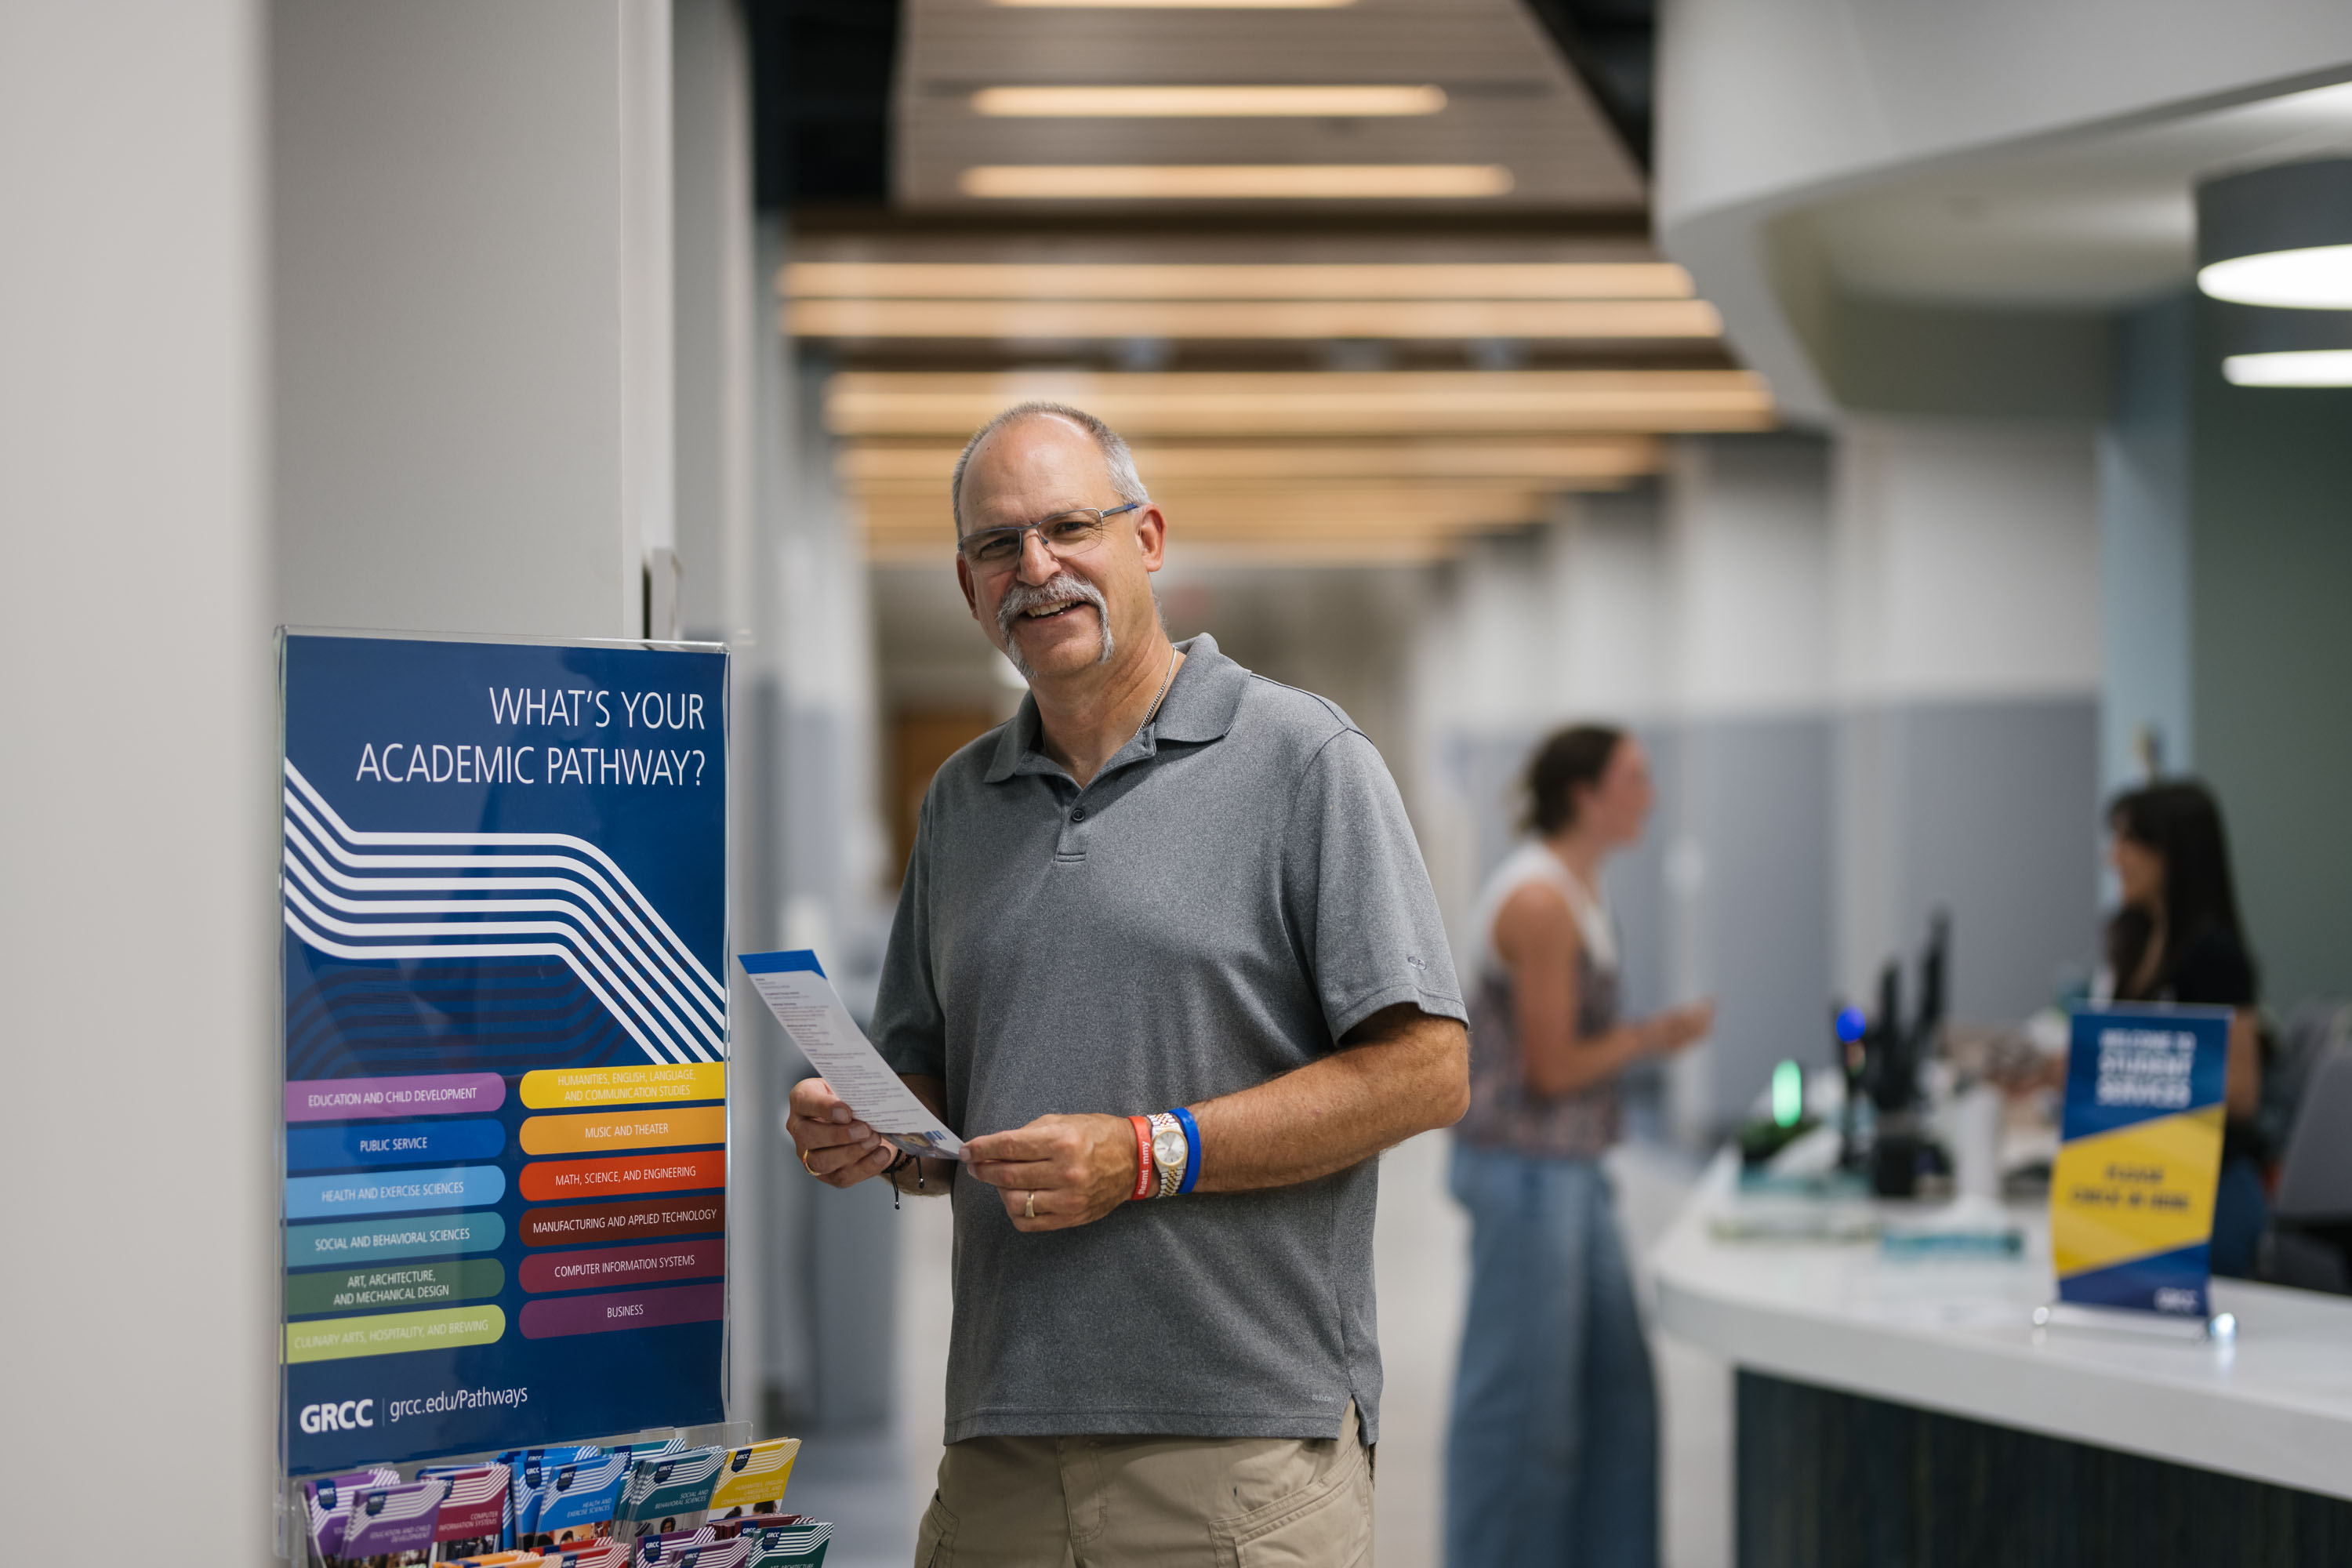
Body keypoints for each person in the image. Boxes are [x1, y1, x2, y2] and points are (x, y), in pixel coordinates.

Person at [785, 401, 1471, 1566]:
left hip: (1241, 1448)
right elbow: (932, 1081)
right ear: (967, 587)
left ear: (1146, 537)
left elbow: (1428, 1072)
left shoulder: (1305, 762)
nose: (1036, 569)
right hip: (1000, 1440)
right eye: (999, 547)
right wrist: (875, 1133)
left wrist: (1149, 1152)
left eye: (1068, 528)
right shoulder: (960, 804)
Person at [1443, 724, 1713, 1568]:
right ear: (1586, 794)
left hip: (1573, 1172)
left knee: (1617, 1401)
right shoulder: (1539, 902)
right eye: (1635, 777)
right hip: (1526, 1173)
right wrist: (1651, 1038)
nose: (1651, 794)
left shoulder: (1581, 890)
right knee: (1526, 1420)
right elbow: (1553, 1067)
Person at [2102, 779, 2267, 1276]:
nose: (2116, 858)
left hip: (2205, 1186)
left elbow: (2242, 1093)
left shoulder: (2214, 957)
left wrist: (2134, 1076)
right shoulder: (2138, 947)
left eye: (2130, 842)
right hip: (2146, 1177)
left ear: (2172, 853)